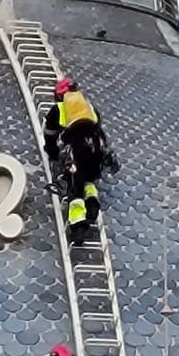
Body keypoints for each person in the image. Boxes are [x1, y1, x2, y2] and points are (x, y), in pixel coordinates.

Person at [44, 76, 112, 240]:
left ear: (59, 95)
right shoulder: (89, 107)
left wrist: (53, 153)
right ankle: (92, 200)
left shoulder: (58, 109)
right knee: (89, 179)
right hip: (97, 149)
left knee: (74, 186)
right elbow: (99, 129)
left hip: (76, 151)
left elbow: (50, 136)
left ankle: (78, 226)